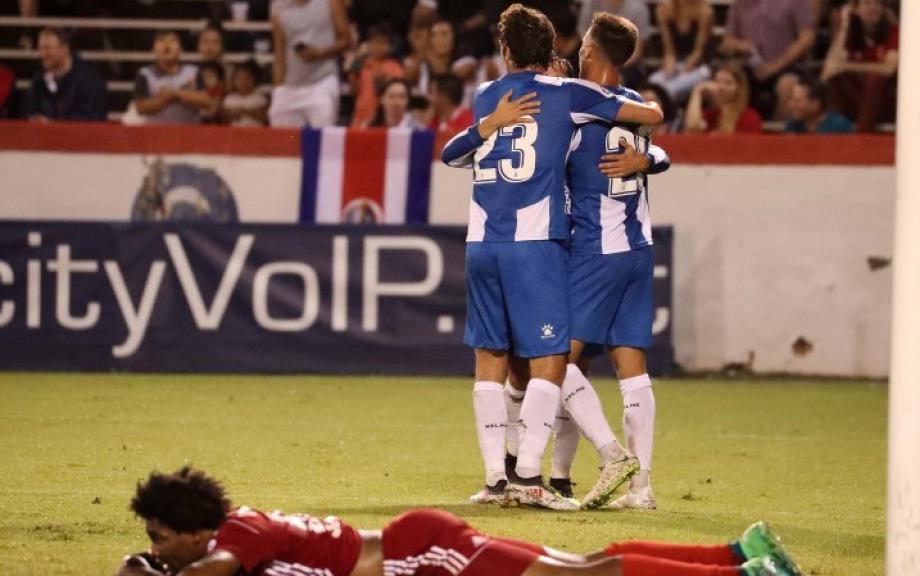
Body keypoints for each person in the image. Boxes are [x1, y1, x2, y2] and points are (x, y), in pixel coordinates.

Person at [439, 4, 663, 511]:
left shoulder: (487, 97)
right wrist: (649, 156)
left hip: (483, 242)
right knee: (551, 362)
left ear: (504, 51)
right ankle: (542, 475)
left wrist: (488, 126)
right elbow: (649, 117)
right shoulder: (572, 94)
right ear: (557, 50)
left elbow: (451, 153)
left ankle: (500, 478)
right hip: (541, 243)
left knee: (492, 361)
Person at [116, 466, 802, 576]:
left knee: (585, 573)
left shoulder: (236, 540)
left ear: (193, 529)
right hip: (423, 543)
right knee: (581, 562)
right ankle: (734, 553)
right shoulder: (241, 525)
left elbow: (212, 570)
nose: (156, 548)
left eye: (159, 538)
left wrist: (140, 570)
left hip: (423, 557)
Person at [718, 0, 815, 120]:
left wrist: (774, 66)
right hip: (750, 66)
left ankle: (778, 134)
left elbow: (807, 37)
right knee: (726, 83)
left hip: (786, 65)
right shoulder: (739, 4)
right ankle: (734, 129)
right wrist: (742, 45)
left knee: (788, 85)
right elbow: (727, 41)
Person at [268, 0, 352, 127]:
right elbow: (280, 52)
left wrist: (320, 52)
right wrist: (278, 88)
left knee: (321, 139)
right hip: (290, 85)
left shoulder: (331, 2)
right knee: (284, 140)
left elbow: (346, 40)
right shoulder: (277, 6)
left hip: (322, 81)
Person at [820, 0, 898, 132]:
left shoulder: (893, 32)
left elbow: (888, 69)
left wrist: (848, 66)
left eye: (877, 3)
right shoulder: (851, 34)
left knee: (874, 79)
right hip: (857, 100)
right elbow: (827, 73)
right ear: (855, 9)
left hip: (886, 102)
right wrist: (844, 26)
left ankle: (862, 134)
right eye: (867, 3)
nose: (873, 7)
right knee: (835, 79)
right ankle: (833, 131)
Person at [24, 26, 107, 122]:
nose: (43, 54)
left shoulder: (90, 81)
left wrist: (53, 127)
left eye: (48, 48)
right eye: (40, 48)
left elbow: (89, 121)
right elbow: (30, 112)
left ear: (65, 48)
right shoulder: (39, 81)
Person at [132, 31, 212, 125]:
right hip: (156, 134)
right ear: (153, 49)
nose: (167, 45)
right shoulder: (145, 74)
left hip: (189, 134)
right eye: (161, 41)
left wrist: (176, 94)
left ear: (181, 49)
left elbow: (206, 102)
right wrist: (162, 100)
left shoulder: (193, 72)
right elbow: (141, 108)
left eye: (172, 41)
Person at [647, 0, 714, 104]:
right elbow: (669, 50)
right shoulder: (663, 10)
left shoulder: (705, 12)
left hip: (699, 66)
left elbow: (698, 52)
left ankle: (671, 116)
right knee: (654, 82)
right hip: (677, 63)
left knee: (671, 88)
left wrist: (681, 72)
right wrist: (669, 70)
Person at [349, 23, 405, 127]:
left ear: (390, 46)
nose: (378, 46)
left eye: (383, 42)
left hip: (382, 121)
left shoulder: (395, 67)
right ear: (369, 44)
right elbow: (353, 91)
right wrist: (357, 60)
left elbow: (397, 92)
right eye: (375, 42)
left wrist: (381, 84)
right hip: (360, 118)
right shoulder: (362, 65)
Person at [684, 63, 762, 134]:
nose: (721, 87)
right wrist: (697, 91)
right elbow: (692, 127)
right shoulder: (709, 115)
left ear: (739, 89)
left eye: (728, 83)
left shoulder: (749, 117)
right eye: (717, 82)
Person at [784, 77, 853, 134]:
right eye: (791, 99)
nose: (791, 105)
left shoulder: (840, 127)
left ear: (815, 104)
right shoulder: (792, 126)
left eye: (797, 101)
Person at [221, 60, 269, 126]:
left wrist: (245, 112)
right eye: (239, 78)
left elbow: (265, 117)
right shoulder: (229, 98)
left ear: (254, 79)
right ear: (234, 80)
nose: (243, 82)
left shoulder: (260, 97)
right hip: (234, 134)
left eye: (247, 78)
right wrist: (231, 115)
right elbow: (222, 119)